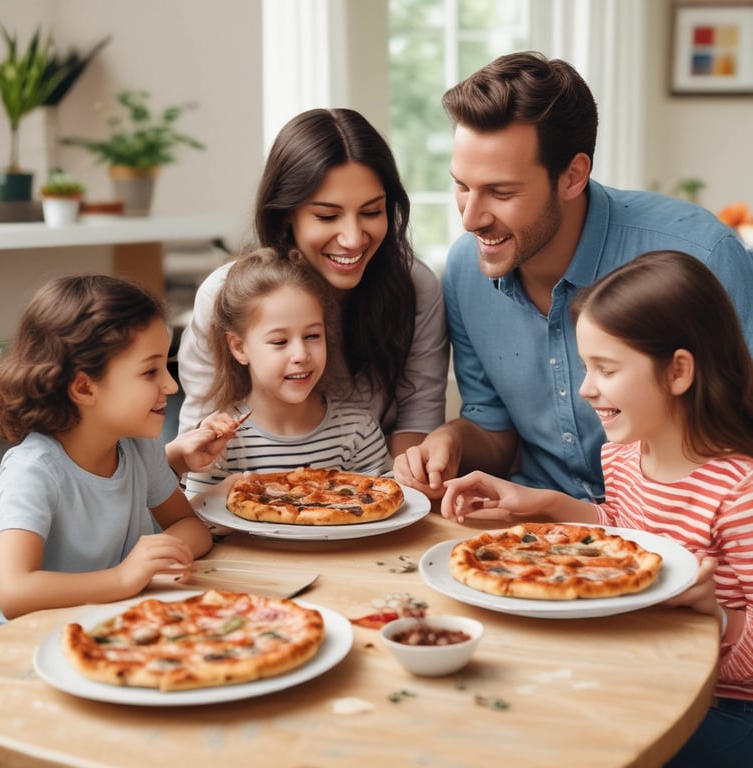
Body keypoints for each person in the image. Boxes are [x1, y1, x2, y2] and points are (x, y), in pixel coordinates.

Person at [393, 51, 753, 503]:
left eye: (501, 192)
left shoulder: (701, 254)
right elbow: (494, 432)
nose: (470, 219)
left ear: (572, 176)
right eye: (463, 186)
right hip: (537, 532)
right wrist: (453, 440)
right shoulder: (467, 270)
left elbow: (742, 433)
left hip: (677, 532)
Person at [441, 251, 753, 767]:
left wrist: (716, 616)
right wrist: (545, 506)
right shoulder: (625, 452)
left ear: (678, 371)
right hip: (645, 672)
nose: (586, 388)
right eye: (587, 367)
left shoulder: (739, 491)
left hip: (722, 711)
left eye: (606, 369)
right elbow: (627, 533)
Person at [177, 108, 449, 456]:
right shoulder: (224, 295)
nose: (353, 239)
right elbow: (199, 437)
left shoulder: (415, 287)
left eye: (371, 212)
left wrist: (398, 491)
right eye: (327, 216)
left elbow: (418, 423)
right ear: (287, 213)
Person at [0, 275, 216, 631]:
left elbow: (191, 527)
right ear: (84, 387)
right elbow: (15, 593)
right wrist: (124, 577)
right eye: (150, 371)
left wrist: (155, 557)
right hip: (16, 644)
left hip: (100, 622)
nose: (170, 385)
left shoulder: (138, 446)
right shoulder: (33, 471)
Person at [183, 247, 391, 499]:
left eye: (312, 336)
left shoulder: (358, 432)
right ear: (239, 347)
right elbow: (193, 524)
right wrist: (223, 498)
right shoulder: (222, 444)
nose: (301, 354)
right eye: (280, 342)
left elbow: (384, 508)